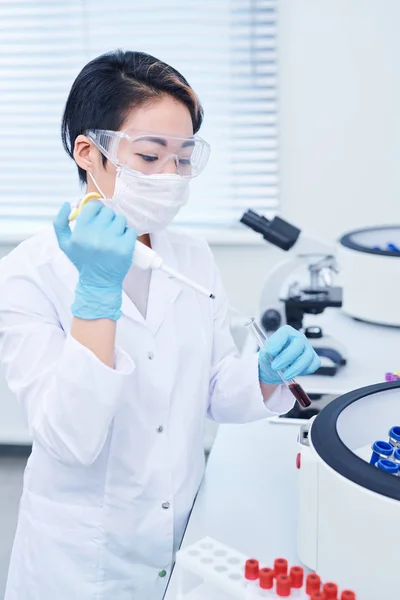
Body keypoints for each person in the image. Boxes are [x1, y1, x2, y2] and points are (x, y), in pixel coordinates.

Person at [0, 50, 320, 600]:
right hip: (80, 564)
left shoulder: (191, 257)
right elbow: (68, 439)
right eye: (149, 156)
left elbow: (215, 389)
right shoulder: (28, 274)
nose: (170, 177)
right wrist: (96, 295)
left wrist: (264, 375)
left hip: (181, 535)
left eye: (183, 158)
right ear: (89, 152)